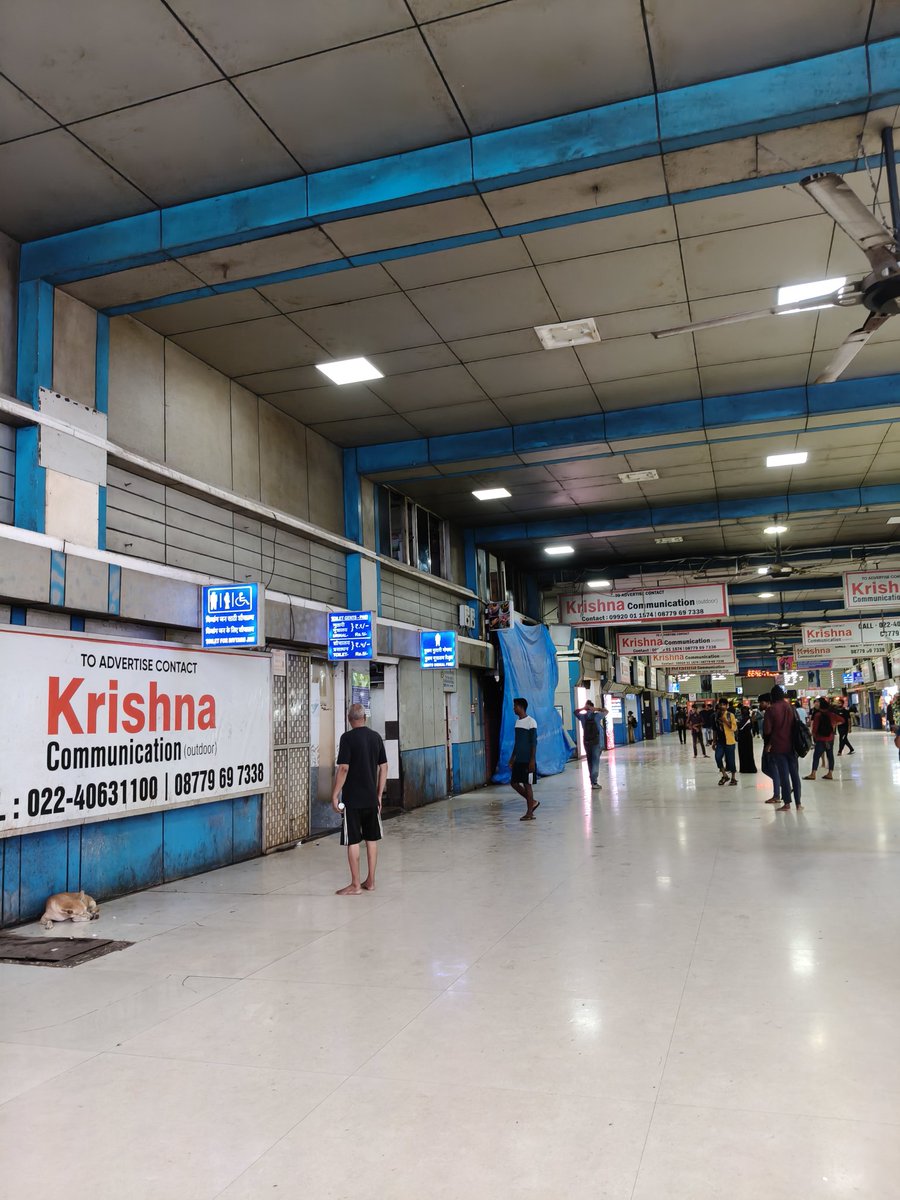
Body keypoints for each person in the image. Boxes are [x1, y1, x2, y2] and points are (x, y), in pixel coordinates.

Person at [331, 703, 388, 895]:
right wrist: (379, 794)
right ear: (365, 718)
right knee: (372, 839)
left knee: (353, 841)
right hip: (371, 799)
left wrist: (334, 794)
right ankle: (370, 881)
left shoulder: (347, 738)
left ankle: (356, 885)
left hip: (353, 801)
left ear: (349, 719)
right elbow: (384, 767)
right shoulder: (376, 737)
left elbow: (344, 768)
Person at [764, 684, 802, 811]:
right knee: (795, 775)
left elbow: (767, 730)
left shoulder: (771, 709)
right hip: (793, 746)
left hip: (779, 747)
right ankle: (798, 803)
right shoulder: (791, 707)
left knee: (784, 776)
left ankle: (787, 804)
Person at [509, 697, 538, 820]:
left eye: (515, 706)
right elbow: (517, 742)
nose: (513, 708)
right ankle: (533, 802)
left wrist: (532, 760)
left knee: (527, 785)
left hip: (527, 760)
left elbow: (533, 743)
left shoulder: (531, 722)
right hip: (518, 759)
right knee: (514, 783)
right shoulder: (517, 722)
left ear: (520, 707)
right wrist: (512, 757)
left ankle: (530, 813)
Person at [575, 699, 607, 789]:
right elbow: (606, 711)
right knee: (595, 762)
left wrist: (583, 708)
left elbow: (575, 712)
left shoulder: (582, 717)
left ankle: (592, 781)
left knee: (590, 761)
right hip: (596, 742)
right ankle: (594, 782)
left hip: (586, 741)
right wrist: (596, 709)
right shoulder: (597, 716)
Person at [804, 696, 837, 781]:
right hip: (830, 738)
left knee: (816, 756)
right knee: (830, 755)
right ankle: (830, 773)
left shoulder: (818, 714)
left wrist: (813, 735)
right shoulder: (831, 714)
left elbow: (815, 728)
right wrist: (833, 725)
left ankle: (813, 774)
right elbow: (841, 720)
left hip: (821, 739)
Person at [757, 694, 780, 804]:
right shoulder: (768, 712)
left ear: (767, 702)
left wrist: (770, 744)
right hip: (768, 744)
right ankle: (783, 785)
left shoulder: (770, 712)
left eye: (761, 702)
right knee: (765, 768)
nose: (760, 705)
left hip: (771, 745)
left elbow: (774, 730)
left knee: (772, 769)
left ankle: (777, 795)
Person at [714, 701, 738, 786]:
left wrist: (725, 721)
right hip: (720, 742)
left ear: (727, 706)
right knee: (717, 757)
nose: (722, 706)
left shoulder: (730, 715)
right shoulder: (716, 715)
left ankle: (733, 778)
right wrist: (714, 742)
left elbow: (734, 728)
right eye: (720, 705)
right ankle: (724, 775)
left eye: (724, 705)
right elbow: (715, 729)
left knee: (731, 761)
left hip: (730, 742)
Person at [737, 703, 757, 774]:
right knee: (749, 752)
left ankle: (743, 768)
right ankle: (751, 768)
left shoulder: (740, 719)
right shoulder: (750, 719)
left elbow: (738, 729)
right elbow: (752, 727)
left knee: (742, 753)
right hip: (748, 738)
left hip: (741, 738)